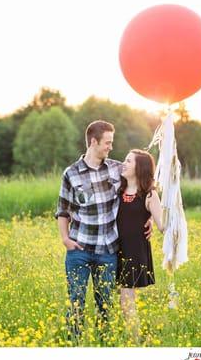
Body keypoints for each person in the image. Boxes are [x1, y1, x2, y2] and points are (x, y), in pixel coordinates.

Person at [55, 121, 152, 341]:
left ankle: (103, 344)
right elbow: (62, 210)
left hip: (108, 252)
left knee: (105, 307)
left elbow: (145, 180)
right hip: (79, 250)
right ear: (93, 142)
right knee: (76, 303)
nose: (110, 146)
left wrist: (150, 217)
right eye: (107, 142)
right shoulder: (71, 174)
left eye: (111, 142)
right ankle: (74, 344)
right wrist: (65, 239)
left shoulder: (117, 168)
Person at [116, 149, 163, 340]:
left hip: (134, 251)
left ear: (139, 168)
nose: (124, 163)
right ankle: (127, 334)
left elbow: (163, 226)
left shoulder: (150, 195)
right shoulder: (118, 189)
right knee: (120, 297)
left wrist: (165, 213)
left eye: (129, 161)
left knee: (126, 297)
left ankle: (134, 339)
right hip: (114, 249)